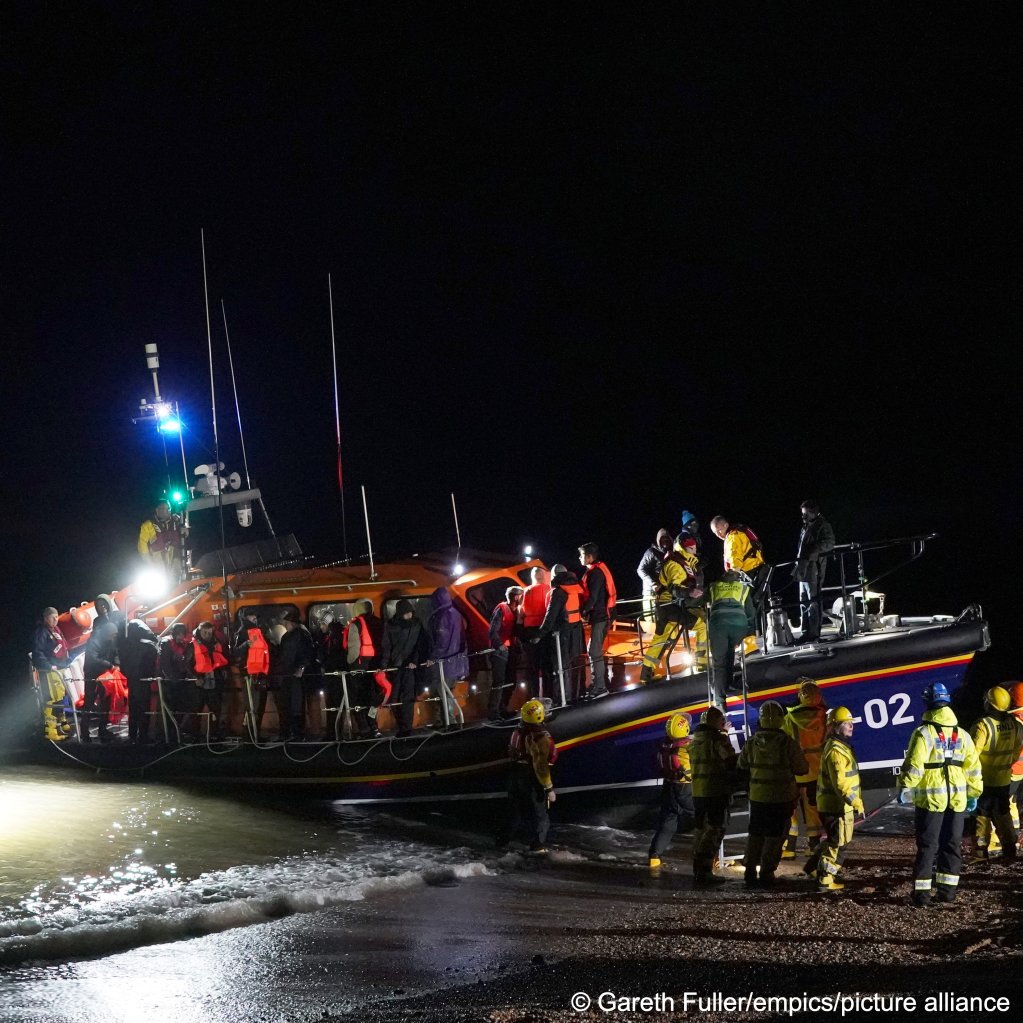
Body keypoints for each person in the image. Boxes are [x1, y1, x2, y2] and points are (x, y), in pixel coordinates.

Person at [897, 682, 982, 907]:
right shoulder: (963, 735)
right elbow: (973, 768)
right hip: (957, 800)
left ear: (927, 703)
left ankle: (922, 896)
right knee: (952, 846)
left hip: (930, 801)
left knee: (927, 847)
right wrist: (973, 793)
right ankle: (947, 893)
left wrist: (905, 787)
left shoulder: (923, 733)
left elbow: (914, 765)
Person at [736, 700, 808, 888]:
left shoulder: (751, 743)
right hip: (781, 798)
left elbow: (741, 765)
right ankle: (767, 873)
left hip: (758, 798)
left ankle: (750, 870)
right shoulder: (787, 743)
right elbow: (802, 769)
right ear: (780, 719)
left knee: (756, 834)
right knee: (775, 837)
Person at [805, 706, 864, 892]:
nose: (851, 726)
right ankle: (826, 879)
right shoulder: (836, 751)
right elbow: (840, 783)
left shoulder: (838, 746)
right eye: (846, 723)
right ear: (835, 726)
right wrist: (856, 802)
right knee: (838, 844)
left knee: (833, 839)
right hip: (837, 806)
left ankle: (813, 867)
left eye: (851, 723)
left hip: (833, 805)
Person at [640, 535, 703, 684]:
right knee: (701, 624)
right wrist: (690, 592)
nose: (694, 550)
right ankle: (702, 662)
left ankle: (645, 674)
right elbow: (674, 589)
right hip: (670, 606)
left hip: (663, 606)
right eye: (691, 548)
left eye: (694, 547)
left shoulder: (679, 561)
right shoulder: (676, 565)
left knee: (660, 638)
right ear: (684, 548)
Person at [969, 685, 1023, 861]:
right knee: (1003, 814)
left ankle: (980, 853)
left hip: (984, 779)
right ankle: (1010, 850)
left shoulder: (982, 725)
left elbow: (971, 755)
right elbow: (1016, 751)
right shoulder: (1014, 724)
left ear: (989, 704)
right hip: (1004, 779)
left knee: (981, 816)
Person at [498, 698, 557, 852]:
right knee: (541, 817)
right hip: (530, 778)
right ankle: (537, 847)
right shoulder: (539, 737)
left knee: (515, 813)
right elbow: (540, 766)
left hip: (514, 776)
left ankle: (502, 842)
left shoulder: (518, 730)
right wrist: (549, 788)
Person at [689, 706, 737, 885]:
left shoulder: (695, 741)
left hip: (698, 792)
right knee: (715, 830)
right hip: (716, 791)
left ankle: (697, 869)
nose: (723, 723)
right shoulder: (717, 740)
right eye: (721, 720)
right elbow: (731, 761)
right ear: (715, 721)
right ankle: (705, 871)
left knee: (701, 830)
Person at [782, 678, 828, 858]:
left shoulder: (789, 718)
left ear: (801, 696)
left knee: (790, 811)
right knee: (812, 811)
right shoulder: (824, 717)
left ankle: (789, 848)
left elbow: (783, 742)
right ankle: (813, 845)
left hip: (794, 771)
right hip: (816, 772)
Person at [648, 712, 695, 869]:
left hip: (669, 787)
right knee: (707, 818)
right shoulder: (689, 746)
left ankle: (654, 858)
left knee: (668, 823)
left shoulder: (665, 745)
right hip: (686, 789)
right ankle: (711, 857)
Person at [534, 564, 586, 703]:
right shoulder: (575, 589)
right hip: (576, 634)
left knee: (560, 669)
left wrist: (539, 634)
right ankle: (572, 697)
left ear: (554, 576)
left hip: (562, 636)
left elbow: (550, 616)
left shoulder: (558, 592)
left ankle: (561, 700)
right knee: (569, 667)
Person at [706, 570, 754, 707]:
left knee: (719, 664)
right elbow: (751, 613)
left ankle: (720, 703)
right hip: (739, 627)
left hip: (719, 626)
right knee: (730, 650)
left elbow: (695, 600)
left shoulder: (714, 587)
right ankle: (728, 683)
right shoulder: (743, 588)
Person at [382, 599, 428, 737]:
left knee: (408, 698)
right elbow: (386, 647)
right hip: (395, 667)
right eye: (406, 613)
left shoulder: (417, 625)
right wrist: (384, 666)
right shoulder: (390, 626)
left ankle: (406, 729)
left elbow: (420, 645)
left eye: (410, 613)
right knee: (394, 699)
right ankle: (401, 725)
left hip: (409, 667)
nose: (409, 615)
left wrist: (415, 661)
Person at [710, 516, 767, 627]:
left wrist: (730, 578)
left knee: (742, 604)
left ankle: (748, 629)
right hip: (758, 570)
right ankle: (756, 627)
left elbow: (735, 560)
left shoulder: (732, 537)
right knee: (754, 605)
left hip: (748, 574)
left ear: (726, 525)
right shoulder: (739, 532)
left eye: (719, 530)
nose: (718, 534)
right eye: (715, 533)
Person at [792, 500, 835, 642]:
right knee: (803, 600)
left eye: (805, 514)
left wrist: (814, 549)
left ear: (813, 512)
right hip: (803, 568)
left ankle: (814, 633)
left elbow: (829, 543)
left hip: (814, 568)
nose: (803, 517)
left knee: (813, 600)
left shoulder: (823, 525)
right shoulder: (806, 526)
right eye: (802, 514)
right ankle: (805, 632)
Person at [346, 598, 390, 738]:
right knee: (373, 699)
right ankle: (374, 727)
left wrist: (350, 664)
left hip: (360, 666)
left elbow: (353, 649)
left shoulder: (356, 624)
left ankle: (364, 730)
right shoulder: (380, 623)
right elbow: (386, 645)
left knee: (358, 700)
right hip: (377, 665)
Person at [578, 542, 616, 698]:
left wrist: (582, 611)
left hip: (601, 616)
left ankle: (600, 687)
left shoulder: (595, 573)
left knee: (594, 651)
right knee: (593, 650)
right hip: (603, 615)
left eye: (581, 555)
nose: (579, 558)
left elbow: (593, 597)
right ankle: (598, 685)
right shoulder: (598, 570)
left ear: (589, 556)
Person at [32, 606, 73, 740]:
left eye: (56, 617)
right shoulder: (42, 632)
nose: (55, 620)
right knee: (51, 700)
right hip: (49, 671)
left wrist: (67, 662)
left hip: (60, 669)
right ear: (46, 618)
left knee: (61, 697)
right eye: (52, 617)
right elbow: (38, 653)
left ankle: (61, 723)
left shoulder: (56, 630)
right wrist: (48, 666)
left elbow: (63, 647)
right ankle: (50, 730)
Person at [428, 588, 468, 726]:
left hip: (443, 663)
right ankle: (445, 721)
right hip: (455, 662)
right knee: (447, 692)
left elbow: (442, 640)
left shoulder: (442, 617)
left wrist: (433, 657)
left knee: (443, 694)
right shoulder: (456, 614)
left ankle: (449, 722)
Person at [82, 595, 118, 742]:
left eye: (104, 604)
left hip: (104, 669)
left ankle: (103, 730)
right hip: (92, 670)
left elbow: (115, 649)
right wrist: (109, 664)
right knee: (89, 700)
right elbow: (92, 657)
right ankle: (84, 733)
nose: (102, 608)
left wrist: (116, 663)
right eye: (99, 605)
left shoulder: (112, 635)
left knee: (106, 700)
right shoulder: (95, 637)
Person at [185, 620, 229, 741]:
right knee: (196, 711)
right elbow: (187, 665)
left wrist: (223, 670)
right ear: (199, 631)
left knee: (216, 710)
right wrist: (195, 677)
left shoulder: (216, 644)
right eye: (205, 632)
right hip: (199, 684)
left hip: (214, 682)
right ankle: (195, 736)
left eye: (210, 632)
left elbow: (221, 659)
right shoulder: (192, 645)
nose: (207, 635)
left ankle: (214, 735)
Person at [276, 610, 317, 741]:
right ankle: (287, 732)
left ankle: (298, 733)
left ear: (292, 623)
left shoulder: (302, 635)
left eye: (287, 622)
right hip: (287, 674)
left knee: (296, 705)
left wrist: (302, 668)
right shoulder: (286, 636)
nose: (285, 625)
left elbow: (308, 653)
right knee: (287, 704)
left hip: (296, 676)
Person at [120, 618, 159, 744]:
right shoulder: (149, 646)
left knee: (133, 709)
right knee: (144, 709)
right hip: (144, 681)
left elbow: (123, 666)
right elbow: (152, 664)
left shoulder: (124, 646)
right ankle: (143, 735)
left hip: (132, 681)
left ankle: (132, 735)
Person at [234, 610, 272, 740]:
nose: (255, 620)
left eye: (256, 618)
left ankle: (253, 734)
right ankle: (250, 736)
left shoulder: (259, 631)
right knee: (251, 706)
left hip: (258, 673)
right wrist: (245, 645)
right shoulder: (242, 632)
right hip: (248, 674)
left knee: (256, 705)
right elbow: (235, 652)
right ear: (246, 618)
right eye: (252, 618)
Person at [488, 586, 524, 719]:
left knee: (510, 681)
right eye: (521, 596)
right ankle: (493, 712)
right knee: (499, 682)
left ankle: (503, 708)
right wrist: (500, 645)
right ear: (516, 597)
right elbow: (492, 631)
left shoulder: (517, 611)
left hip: (511, 650)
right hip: (500, 652)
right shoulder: (501, 609)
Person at [520, 566, 552, 696]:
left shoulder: (526, 591)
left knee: (533, 667)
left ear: (533, 577)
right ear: (543, 576)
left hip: (529, 631)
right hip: (544, 631)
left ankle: (533, 696)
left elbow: (521, 613)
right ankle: (549, 696)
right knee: (547, 666)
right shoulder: (549, 590)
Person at [137, 500, 188, 581]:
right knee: (161, 580)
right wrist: (150, 563)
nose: (168, 511)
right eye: (164, 509)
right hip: (158, 560)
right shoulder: (147, 525)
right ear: (157, 510)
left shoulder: (177, 521)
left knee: (178, 578)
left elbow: (185, 536)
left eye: (169, 509)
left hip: (175, 557)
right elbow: (142, 546)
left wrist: (185, 529)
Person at [158, 622, 192, 741]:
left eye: (182, 634)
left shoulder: (183, 644)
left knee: (181, 708)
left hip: (181, 681)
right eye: (179, 633)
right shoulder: (166, 643)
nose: (181, 636)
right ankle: (170, 734)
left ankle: (178, 732)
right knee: (171, 708)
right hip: (170, 682)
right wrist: (172, 678)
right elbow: (165, 663)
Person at [636, 529, 671, 638]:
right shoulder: (651, 552)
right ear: (658, 540)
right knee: (651, 621)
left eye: (667, 539)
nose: (665, 541)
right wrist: (653, 583)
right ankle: (652, 643)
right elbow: (640, 569)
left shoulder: (671, 554)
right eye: (662, 539)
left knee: (665, 620)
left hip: (665, 594)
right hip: (651, 593)